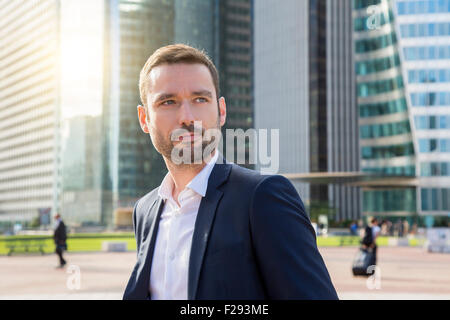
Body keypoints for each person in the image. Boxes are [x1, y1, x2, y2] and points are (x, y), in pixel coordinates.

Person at [123, 44, 338, 300]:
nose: (187, 117)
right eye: (168, 102)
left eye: (200, 99)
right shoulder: (145, 211)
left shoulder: (262, 197)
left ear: (221, 111)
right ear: (144, 119)